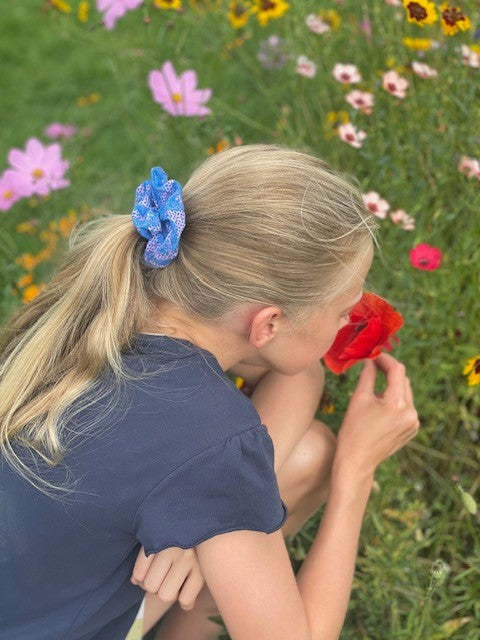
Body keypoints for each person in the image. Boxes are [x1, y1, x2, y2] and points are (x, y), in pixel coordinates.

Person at [0, 143, 419, 640]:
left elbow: (299, 376)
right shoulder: (209, 434)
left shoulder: (103, 311)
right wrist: (356, 471)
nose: (352, 318)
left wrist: (203, 526)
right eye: (344, 309)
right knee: (325, 457)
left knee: (307, 452)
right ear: (268, 324)